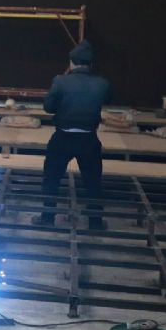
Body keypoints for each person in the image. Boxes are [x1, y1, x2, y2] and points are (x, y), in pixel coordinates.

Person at [35, 39, 111, 230]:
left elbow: (48, 107)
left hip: (63, 137)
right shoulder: (102, 83)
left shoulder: (60, 81)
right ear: (91, 64)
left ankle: (47, 218)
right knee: (93, 182)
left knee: (52, 179)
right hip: (88, 139)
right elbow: (108, 100)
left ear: (71, 62)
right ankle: (95, 222)